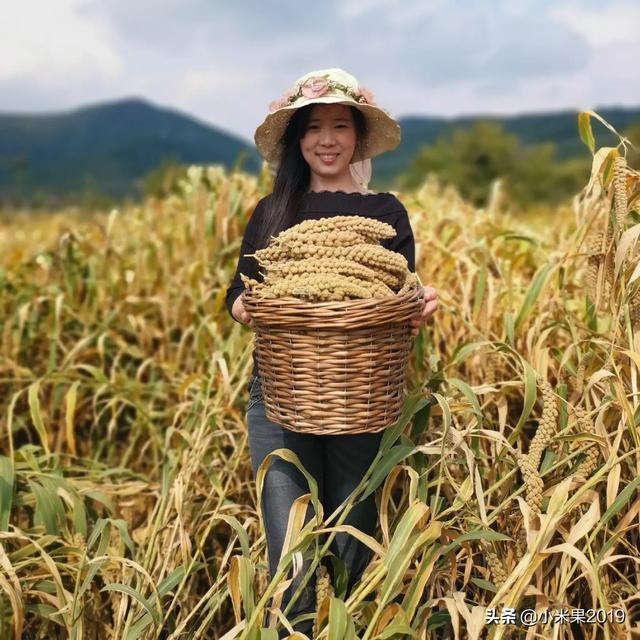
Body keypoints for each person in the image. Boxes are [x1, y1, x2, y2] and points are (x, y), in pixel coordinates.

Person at [225, 68, 438, 637]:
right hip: (279, 397)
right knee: (290, 552)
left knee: (351, 544)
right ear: (297, 139)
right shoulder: (272, 214)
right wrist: (254, 305)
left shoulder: (386, 213)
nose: (327, 139)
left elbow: (399, 290)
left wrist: (415, 303)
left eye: (340, 125)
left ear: (357, 137)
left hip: (360, 398)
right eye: (314, 126)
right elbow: (239, 296)